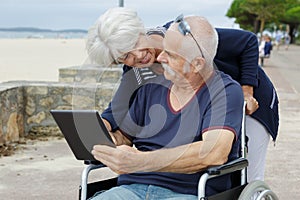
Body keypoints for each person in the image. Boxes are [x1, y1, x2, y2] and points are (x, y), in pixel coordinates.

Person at [86, 7, 279, 182]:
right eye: (125, 57)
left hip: (249, 92)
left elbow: (248, 41)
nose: (136, 56)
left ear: (140, 31)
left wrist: (246, 91)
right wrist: (102, 128)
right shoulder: (135, 70)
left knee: (247, 172)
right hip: (209, 104)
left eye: (134, 44)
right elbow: (118, 108)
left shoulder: (184, 34)